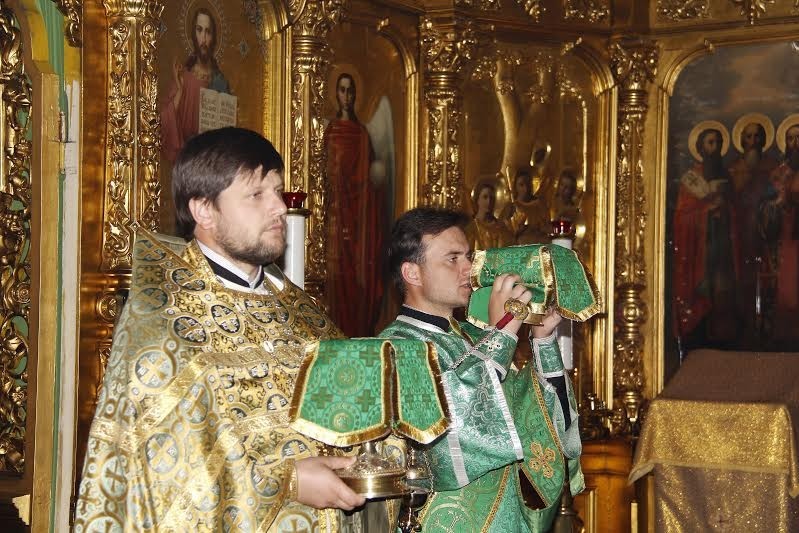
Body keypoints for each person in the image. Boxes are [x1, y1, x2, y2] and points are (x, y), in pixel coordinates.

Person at [73, 128, 367, 532]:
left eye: (277, 191)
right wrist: (287, 482)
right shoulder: (165, 324)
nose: (279, 208)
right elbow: (159, 476)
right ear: (204, 211)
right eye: (256, 194)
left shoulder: (305, 316)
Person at [380, 207, 583, 532]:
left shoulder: (477, 339)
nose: (468, 269)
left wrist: (543, 340)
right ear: (412, 273)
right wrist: (502, 332)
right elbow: (451, 436)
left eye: (469, 257)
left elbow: (537, 424)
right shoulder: (394, 348)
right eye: (453, 259)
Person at [324, 72, 385, 337]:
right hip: (335, 211)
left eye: (350, 91)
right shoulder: (331, 131)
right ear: (335, 93)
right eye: (342, 90)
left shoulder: (361, 134)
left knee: (354, 271)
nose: (346, 96)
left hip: (356, 213)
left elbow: (367, 177)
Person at [672, 126, 739, 348]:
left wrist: (725, 209)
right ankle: (699, 337)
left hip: (722, 247)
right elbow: (681, 217)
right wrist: (707, 211)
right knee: (703, 290)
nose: (715, 147)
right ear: (701, 147)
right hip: (699, 251)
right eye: (710, 142)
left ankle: (723, 338)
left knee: (722, 291)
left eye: (718, 142)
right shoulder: (690, 179)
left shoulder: (726, 176)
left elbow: (737, 212)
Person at [727, 118, 777, 341]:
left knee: (767, 278)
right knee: (742, 278)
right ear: (742, 140)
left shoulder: (772, 166)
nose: (753, 141)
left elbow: (776, 195)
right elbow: (730, 198)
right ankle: (743, 326)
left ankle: (766, 327)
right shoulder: (733, 167)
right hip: (740, 231)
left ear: (764, 140)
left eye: (758, 136)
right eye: (749, 137)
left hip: (766, 230)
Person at [161, 7, 232, 162]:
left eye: (208, 32)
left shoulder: (220, 81)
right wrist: (180, 91)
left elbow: (228, 133)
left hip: (213, 161)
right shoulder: (183, 78)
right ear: (193, 35)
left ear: (214, 37)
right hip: (189, 160)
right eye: (199, 30)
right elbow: (164, 122)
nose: (203, 39)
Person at [759, 119, 799, 344]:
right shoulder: (778, 174)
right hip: (785, 238)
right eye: (791, 138)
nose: (796, 143)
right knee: (787, 291)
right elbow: (764, 206)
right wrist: (776, 204)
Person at [501, 168, 552, 244]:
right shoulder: (510, 207)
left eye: (528, 184)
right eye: (521, 185)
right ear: (515, 186)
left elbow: (548, 227)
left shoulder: (539, 205)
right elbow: (503, 231)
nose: (525, 189)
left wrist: (541, 228)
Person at [464, 180, 514, 250]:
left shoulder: (501, 228)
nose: (489, 201)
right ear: (477, 199)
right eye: (485, 197)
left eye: (492, 198)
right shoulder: (471, 228)